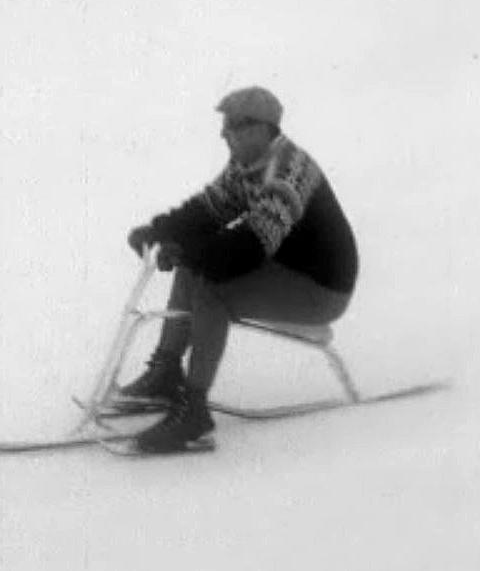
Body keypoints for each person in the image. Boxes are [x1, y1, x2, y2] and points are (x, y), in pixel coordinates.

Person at [122, 86, 359, 453]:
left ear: (261, 129)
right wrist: (158, 231)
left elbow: (251, 246)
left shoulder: (287, 173)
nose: (223, 133)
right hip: (286, 269)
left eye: (232, 125)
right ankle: (166, 372)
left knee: (211, 288)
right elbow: (207, 210)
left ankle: (194, 411)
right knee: (194, 267)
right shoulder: (248, 164)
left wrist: (190, 251)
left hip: (321, 290)